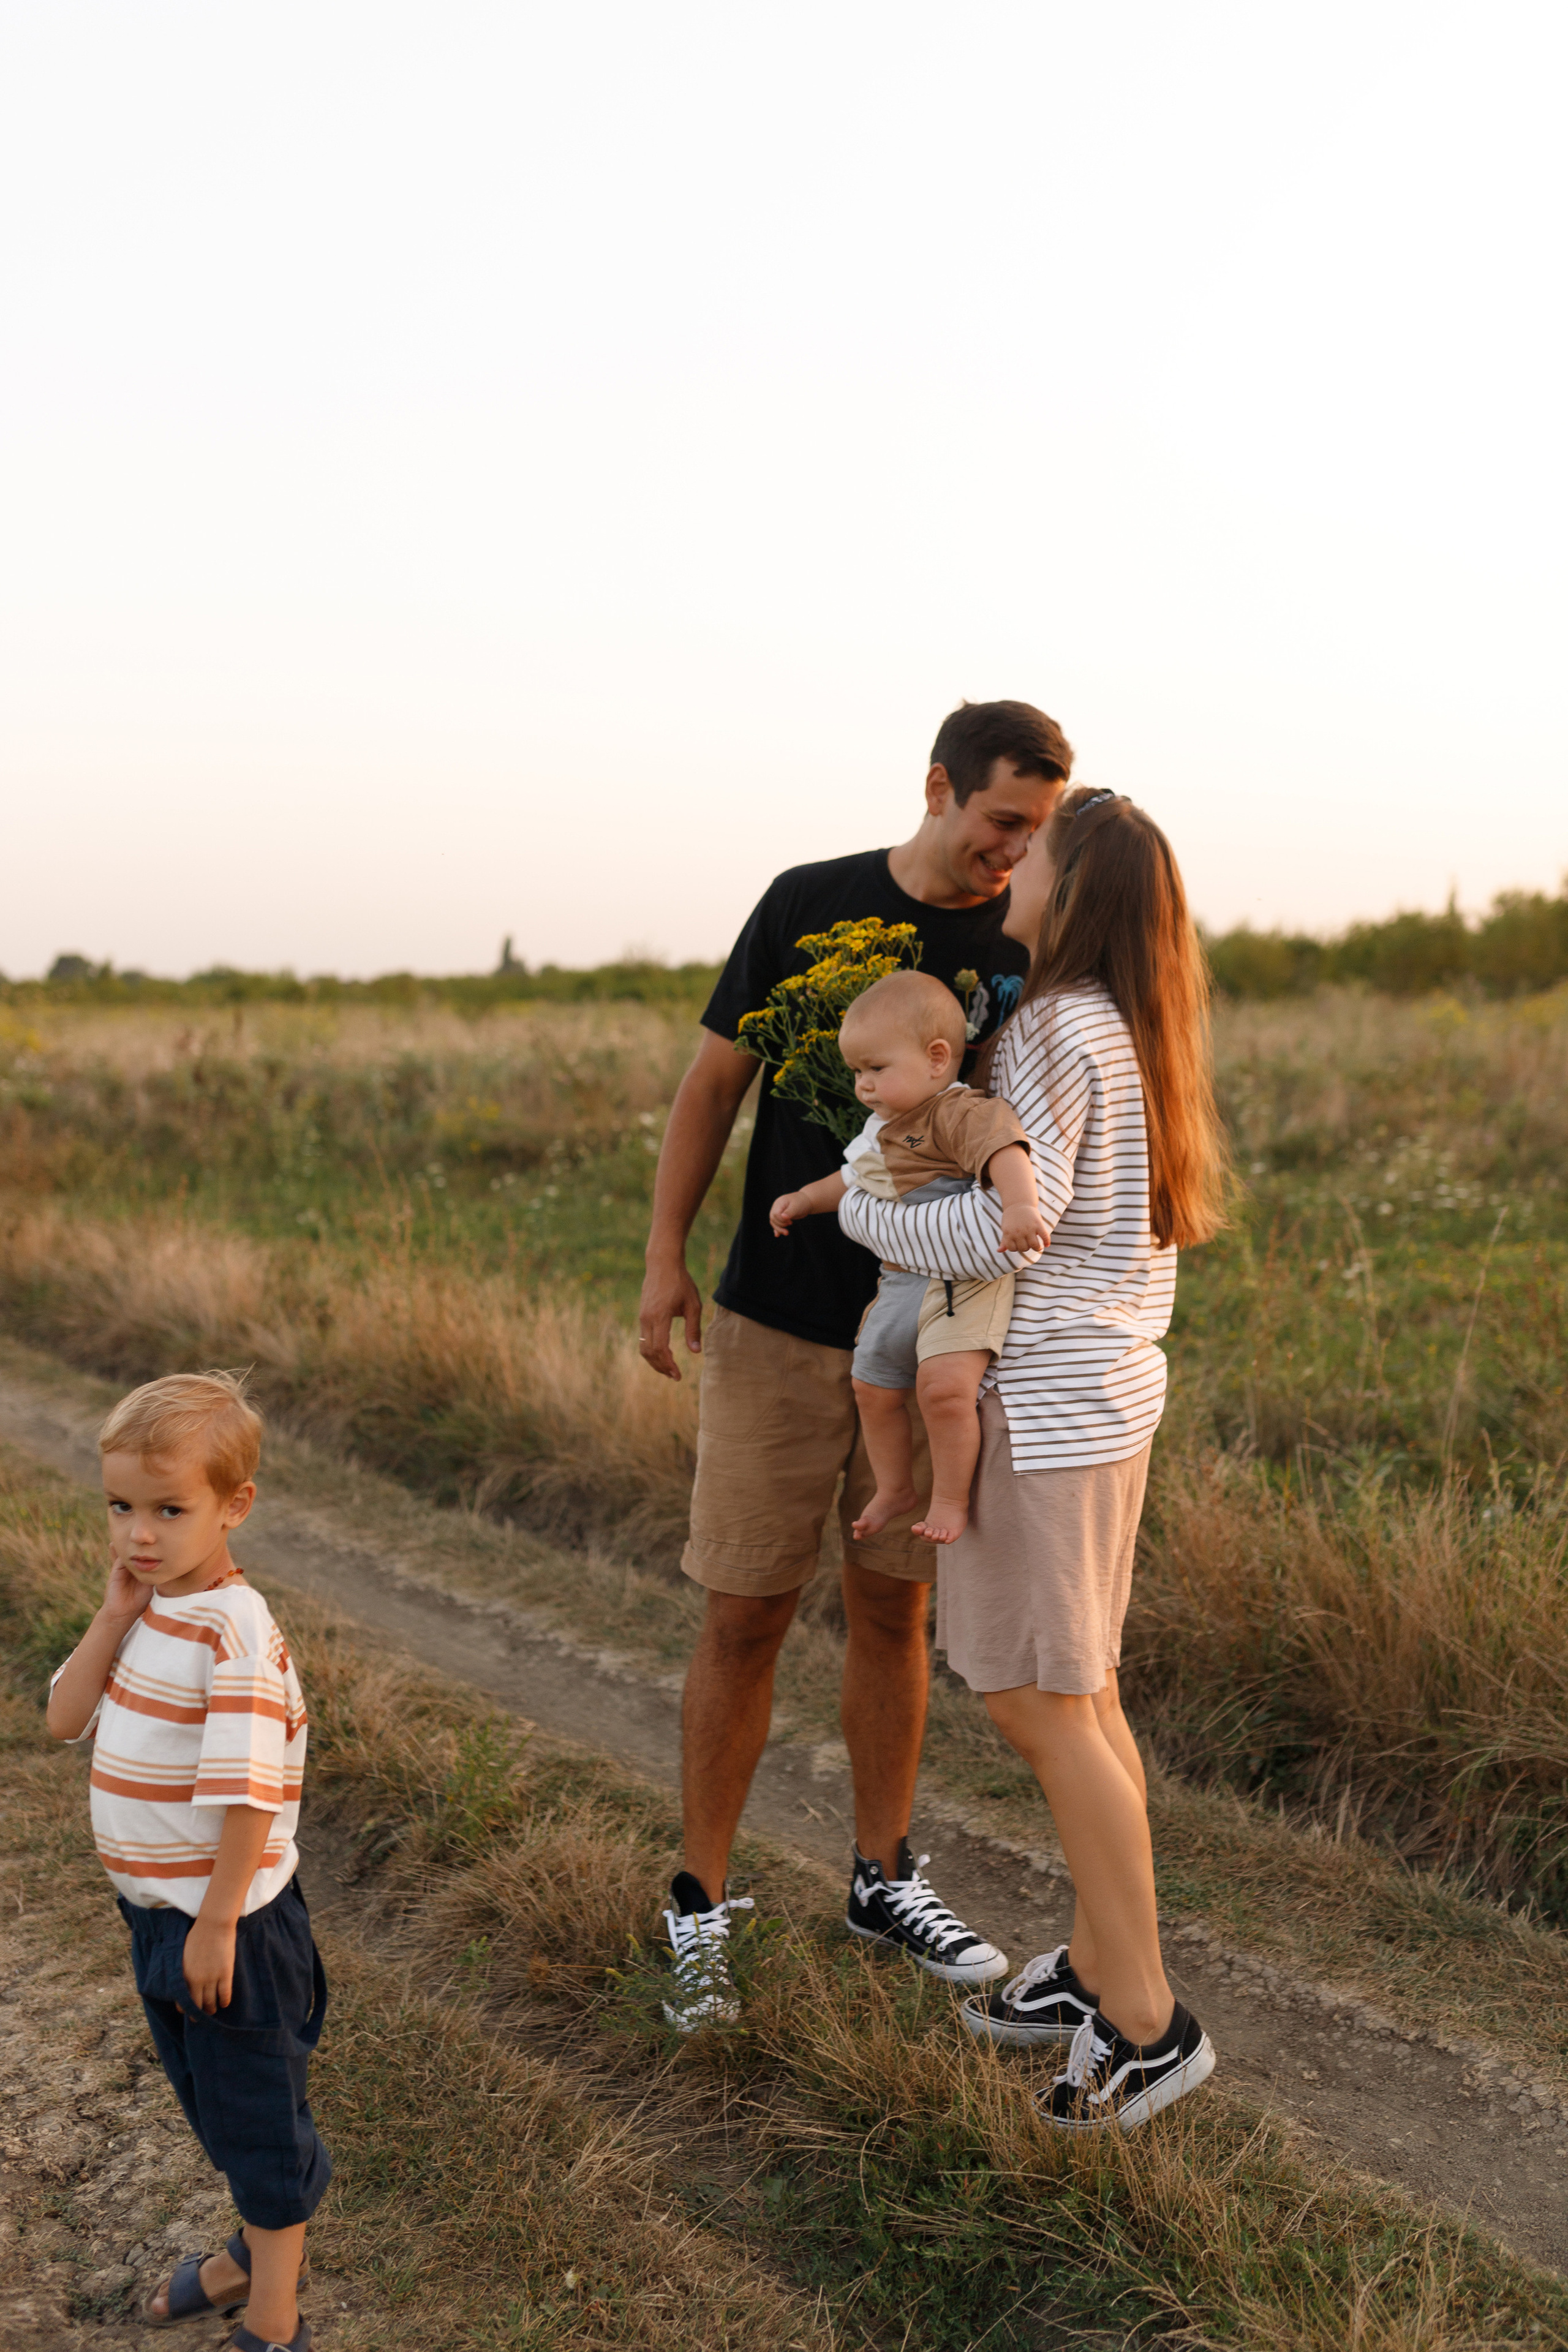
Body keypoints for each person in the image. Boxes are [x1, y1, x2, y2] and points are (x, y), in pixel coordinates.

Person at [639, 698, 1074, 2029]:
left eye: (1038, 831)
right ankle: (697, 1903)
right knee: (742, 1609)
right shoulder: (805, 903)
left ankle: (880, 1880)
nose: (1014, 851)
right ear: (939, 786)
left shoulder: (1027, 942)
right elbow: (713, 1088)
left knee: (896, 1613)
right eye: (1002, 819)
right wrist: (662, 1258)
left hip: (937, 1322)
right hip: (776, 1318)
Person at [837, 784, 1227, 2129]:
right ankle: (1098, 1964)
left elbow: (1020, 1226)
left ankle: (1146, 2024)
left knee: (1033, 1705)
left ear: (1072, 894)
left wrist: (875, 1230)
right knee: (1081, 1692)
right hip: (1108, 1395)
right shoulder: (1129, 1027)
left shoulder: (1055, 1022)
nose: (1011, 868)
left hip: (1048, 1406)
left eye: (1035, 856)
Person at [46, 1372, 323, 2349]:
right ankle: (253, 2253)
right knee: (216, 2109)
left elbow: (248, 1796)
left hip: (229, 1925)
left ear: (234, 1507)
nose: (139, 1535)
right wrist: (114, 1614)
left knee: (253, 2123)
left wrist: (215, 1924)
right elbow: (62, 1718)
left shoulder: (235, 1632)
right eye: (121, 1507)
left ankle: (274, 2317)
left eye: (171, 1510)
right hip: (162, 1920)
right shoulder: (156, 1608)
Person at [768, 968, 1049, 1545]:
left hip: (960, 1283)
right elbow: (851, 1179)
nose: (863, 1086)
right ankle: (894, 1487)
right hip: (899, 1282)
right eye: (856, 1072)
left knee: (944, 1390)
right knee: (871, 1384)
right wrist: (805, 1199)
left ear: (937, 1058)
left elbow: (1005, 1151)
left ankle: (947, 1499)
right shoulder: (880, 1129)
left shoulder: (958, 1111)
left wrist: (1020, 1206)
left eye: (876, 1069)